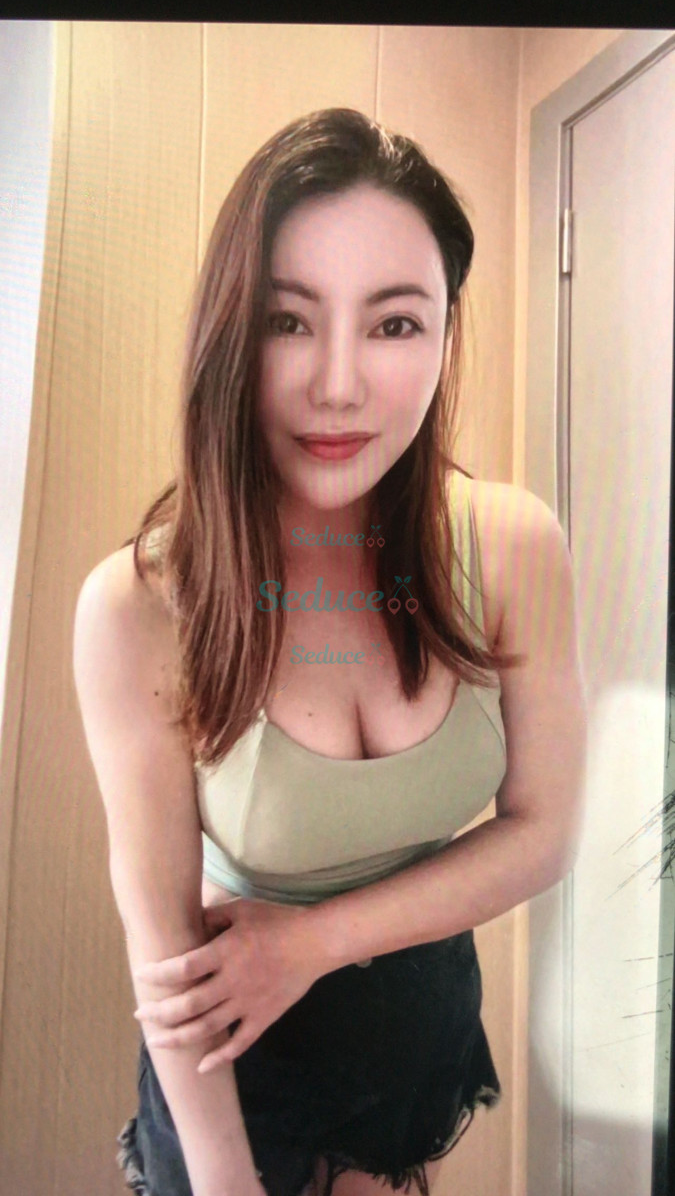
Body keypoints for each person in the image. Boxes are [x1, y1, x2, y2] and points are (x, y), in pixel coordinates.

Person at [73, 108, 587, 1196]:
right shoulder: (140, 607)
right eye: (288, 320)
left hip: (416, 1018)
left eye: (394, 324)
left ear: (445, 334)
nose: (339, 384)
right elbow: (168, 956)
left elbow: (544, 831)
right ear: (228, 332)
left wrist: (308, 943)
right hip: (235, 1055)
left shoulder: (511, 548)